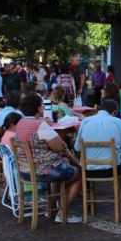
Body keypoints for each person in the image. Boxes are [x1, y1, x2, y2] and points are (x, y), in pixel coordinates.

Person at [15, 94, 82, 223]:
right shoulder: (40, 125)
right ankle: (62, 212)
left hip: (25, 171)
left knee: (65, 164)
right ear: (38, 107)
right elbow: (58, 147)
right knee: (79, 174)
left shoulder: (20, 123)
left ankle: (51, 208)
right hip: (44, 171)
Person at [74, 98, 121, 212]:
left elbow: (77, 148)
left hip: (88, 170)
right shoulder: (118, 122)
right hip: (112, 169)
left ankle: (87, 200)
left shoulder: (85, 122)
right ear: (114, 112)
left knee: (84, 159)